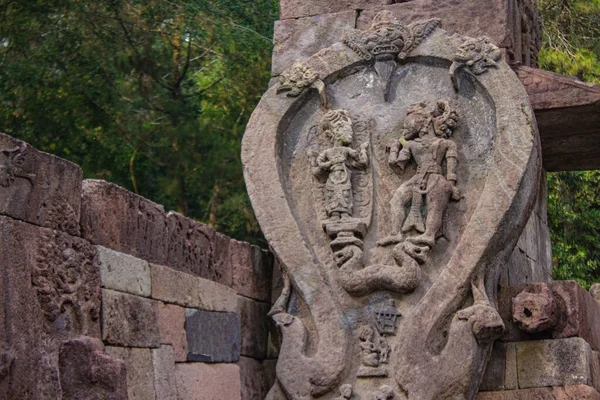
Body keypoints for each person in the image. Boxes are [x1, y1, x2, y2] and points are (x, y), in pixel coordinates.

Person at [378, 100, 460, 247]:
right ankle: (395, 233)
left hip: (436, 178)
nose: (404, 128)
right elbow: (398, 166)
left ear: (424, 122)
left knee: (434, 205)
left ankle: (429, 235)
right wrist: (395, 149)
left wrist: (452, 185)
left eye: (407, 123)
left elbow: (451, 165)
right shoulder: (410, 144)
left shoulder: (445, 144)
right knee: (397, 198)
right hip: (417, 178)